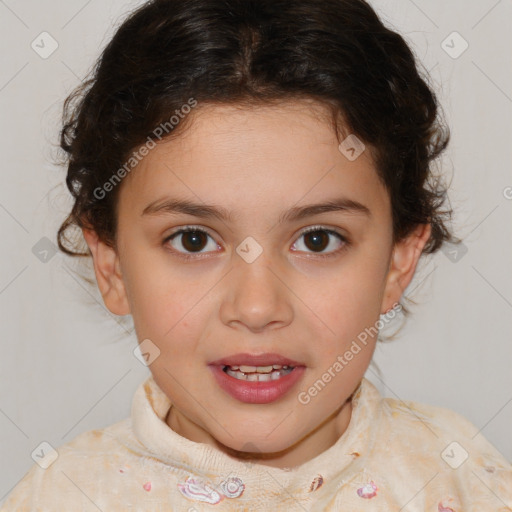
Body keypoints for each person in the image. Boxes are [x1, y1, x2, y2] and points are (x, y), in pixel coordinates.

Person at [2, 0, 511, 510]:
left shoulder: (466, 481)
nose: (256, 307)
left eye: (317, 240)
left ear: (398, 262)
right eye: (193, 240)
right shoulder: (63, 497)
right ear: (110, 265)